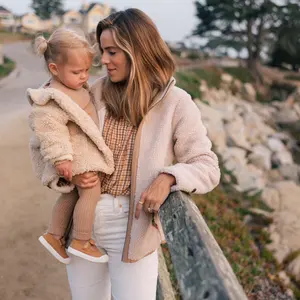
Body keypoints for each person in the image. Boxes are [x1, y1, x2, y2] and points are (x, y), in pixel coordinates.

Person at [65, 8, 221, 300]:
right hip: (82, 224)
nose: (104, 60)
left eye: (112, 52)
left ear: (137, 49)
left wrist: (169, 177)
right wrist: (64, 175)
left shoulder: (175, 102)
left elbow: (207, 166)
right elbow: (53, 143)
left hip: (133, 228)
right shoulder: (91, 93)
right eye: (102, 51)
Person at [27, 28, 114, 265]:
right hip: (75, 155)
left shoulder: (76, 87)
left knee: (73, 193)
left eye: (87, 70)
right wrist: (61, 158)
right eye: (77, 71)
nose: (84, 76)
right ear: (54, 69)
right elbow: (50, 130)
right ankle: (82, 241)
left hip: (81, 153)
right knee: (91, 191)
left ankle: (55, 234)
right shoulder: (51, 97)